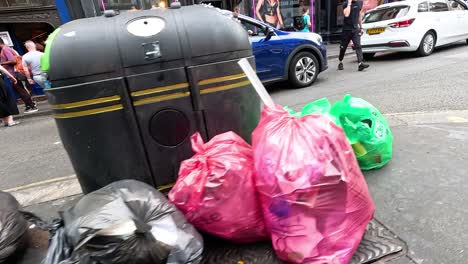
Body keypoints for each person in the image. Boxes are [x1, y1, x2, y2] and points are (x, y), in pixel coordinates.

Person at [0, 39, 38, 113]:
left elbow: (13, 60)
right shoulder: (6, 49)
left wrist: (1, 64)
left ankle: (31, 106)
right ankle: (29, 105)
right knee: (20, 90)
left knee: (21, 90)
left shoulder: (5, 49)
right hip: (14, 73)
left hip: (15, 74)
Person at [338, 0, 370, 72]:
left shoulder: (359, 3)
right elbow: (346, 14)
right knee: (343, 48)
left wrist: (361, 27)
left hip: (355, 29)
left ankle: (360, 63)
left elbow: (359, 15)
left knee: (358, 45)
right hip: (346, 30)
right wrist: (349, 3)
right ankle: (340, 61)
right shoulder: (345, 4)